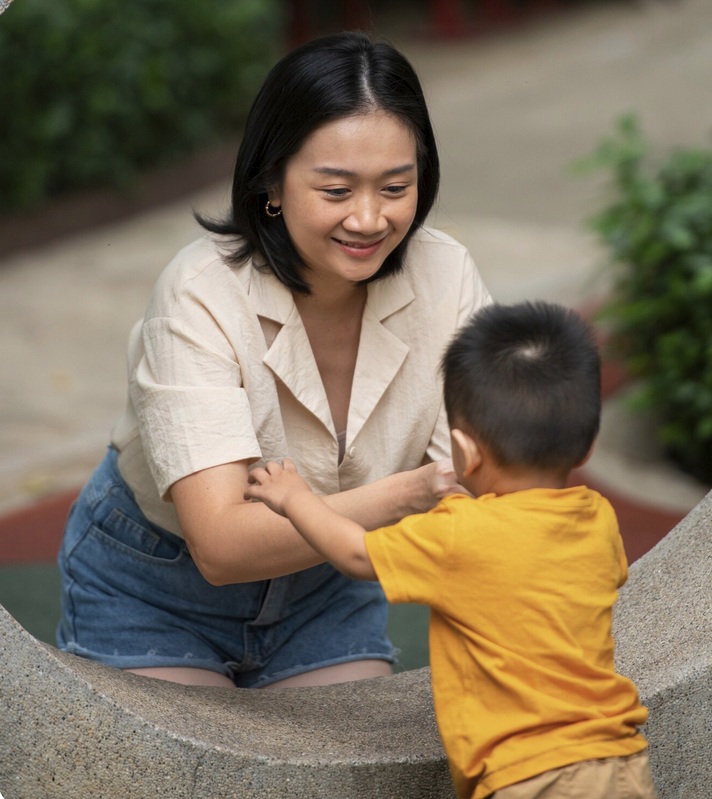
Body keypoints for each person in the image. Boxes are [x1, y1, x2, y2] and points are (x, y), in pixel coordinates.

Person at [56, 31, 492, 689]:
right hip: (154, 579)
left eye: (395, 186)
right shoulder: (200, 290)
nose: (370, 218)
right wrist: (408, 492)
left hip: (328, 582)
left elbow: (476, 480)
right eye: (337, 190)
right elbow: (223, 543)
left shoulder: (447, 274)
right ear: (272, 182)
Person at [245, 301, 658, 799]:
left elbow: (356, 554)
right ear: (588, 446)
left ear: (463, 452)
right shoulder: (597, 518)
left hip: (530, 774)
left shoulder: (459, 532)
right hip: (619, 759)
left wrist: (296, 499)